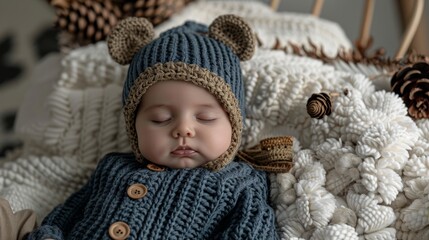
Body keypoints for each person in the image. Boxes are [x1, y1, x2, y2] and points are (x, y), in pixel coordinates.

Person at [26, 14, 279, 239]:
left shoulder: (240, 182)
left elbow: (253, 230)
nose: (184, 130)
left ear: (235, 124)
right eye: (160, 118)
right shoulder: (113, 167)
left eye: (205, 117)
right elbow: (67, 214)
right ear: (133, 125)